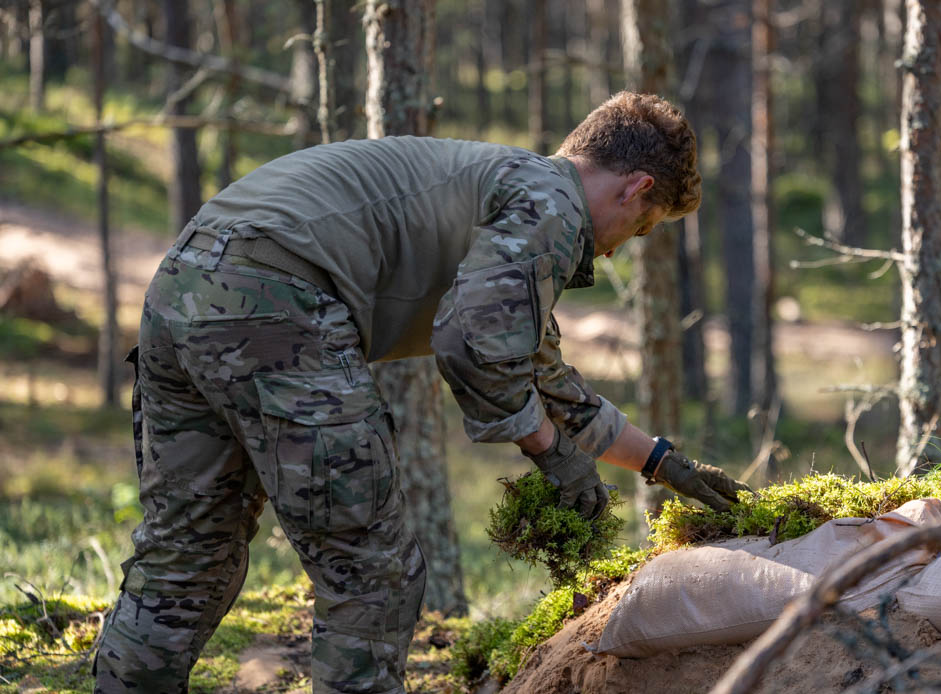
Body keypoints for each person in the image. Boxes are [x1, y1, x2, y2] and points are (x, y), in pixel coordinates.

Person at [93, 92, 748, 694]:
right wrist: (548, 452)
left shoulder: (505, 196)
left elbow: (545, 377)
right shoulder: (551, 207)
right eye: (642, 228)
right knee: (373, 573)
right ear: (637, 188)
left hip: (185, 286)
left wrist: (660, 462)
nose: (616, 252)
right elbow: (471, 339)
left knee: (186, 556)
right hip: (279, 301)